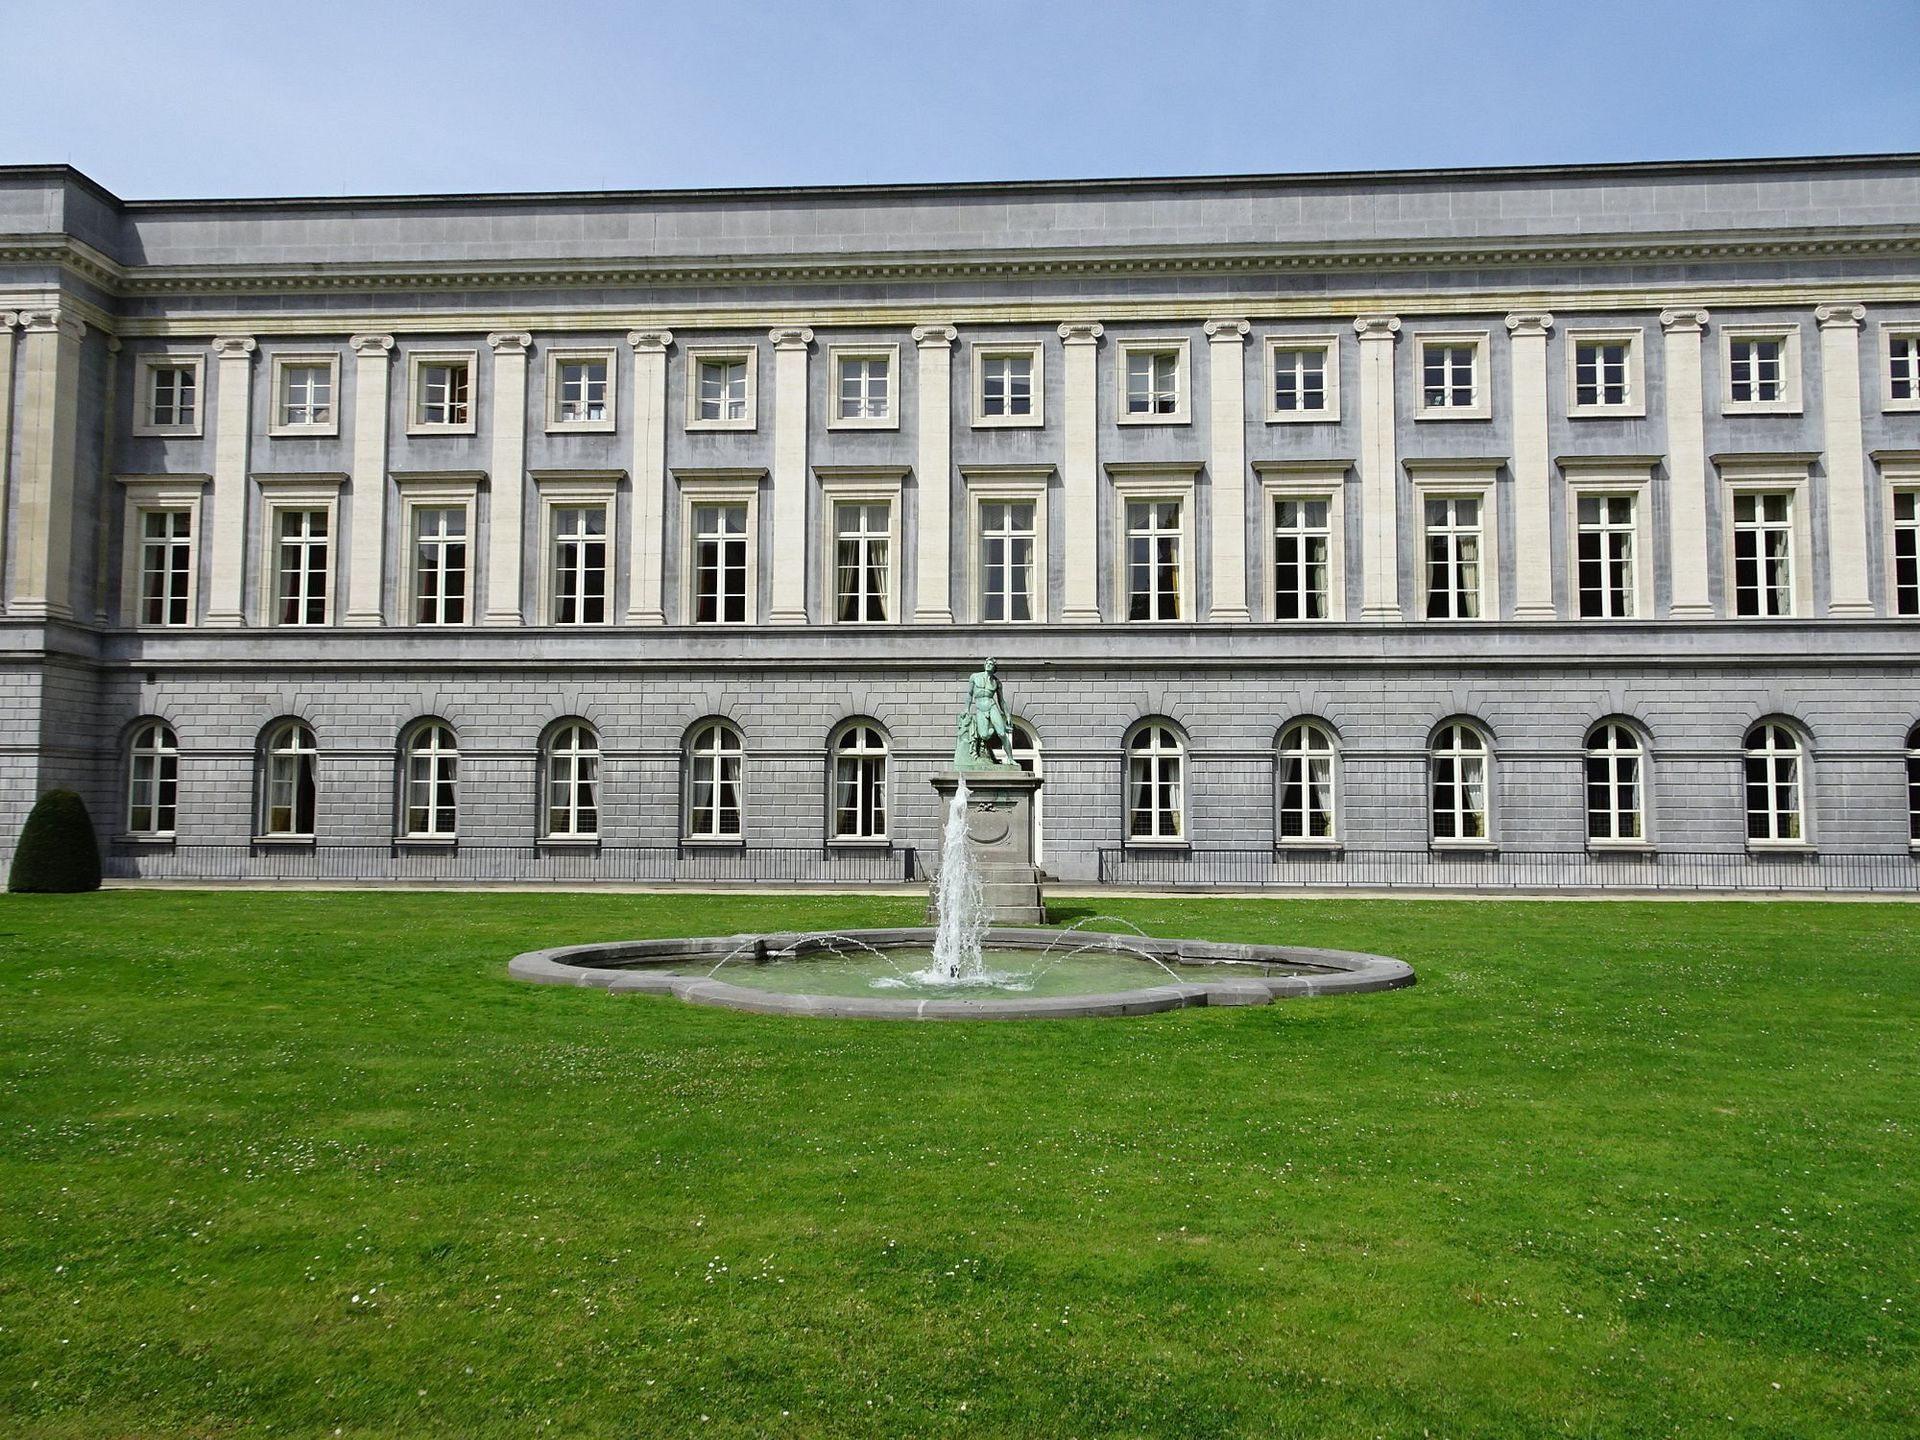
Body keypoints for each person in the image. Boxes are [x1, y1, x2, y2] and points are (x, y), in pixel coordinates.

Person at [957, 657, 1016, 768]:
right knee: (984, 735)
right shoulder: (974, 677)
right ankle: (992, 728)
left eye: (991, 664)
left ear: (994, 667)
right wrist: (967, 708)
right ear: (984, 665)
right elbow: (969, 694)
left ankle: (1011, 759)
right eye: (987, 663)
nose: (988, 665)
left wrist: (1008, 715)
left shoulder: (997, 682)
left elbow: (1001, 701)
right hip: (980, 707)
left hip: (991, 705)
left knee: (1002, 734)